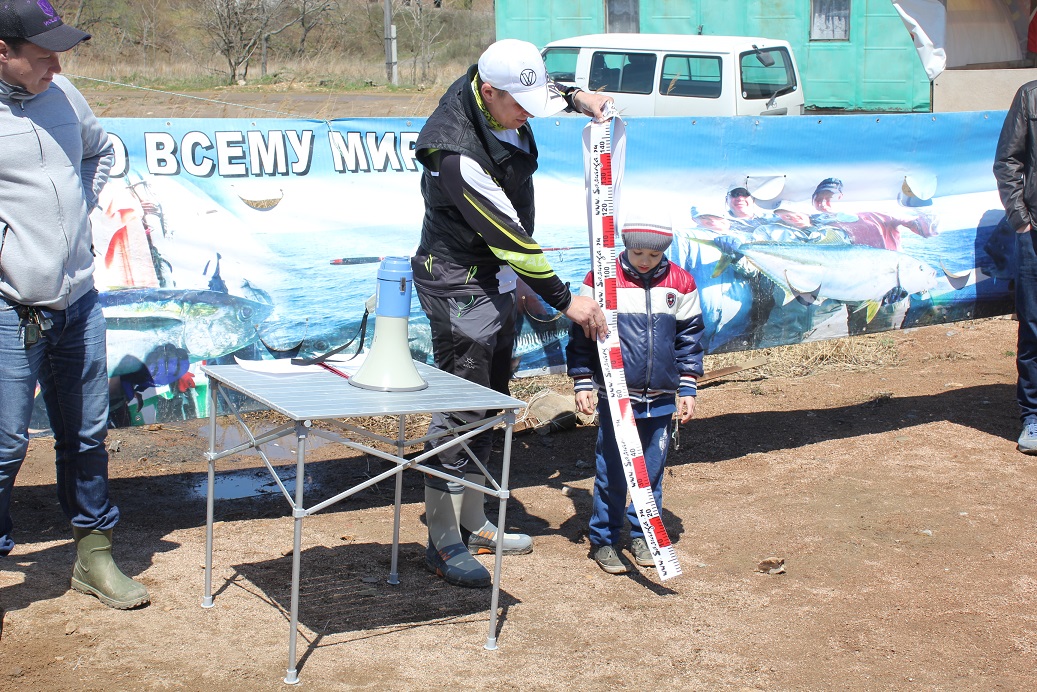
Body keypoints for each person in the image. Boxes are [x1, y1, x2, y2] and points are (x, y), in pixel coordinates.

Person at [410, 38, 613, 587]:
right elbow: (512, 239)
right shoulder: (454, 153)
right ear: (489, 91)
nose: (530, 113)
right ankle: (442, 541)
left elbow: (542, 90)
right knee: (461, 407)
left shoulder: (503, 89)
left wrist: (579, 99)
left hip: (496, 274)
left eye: (534, 102)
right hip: (459, 281)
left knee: (493, 400)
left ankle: (474, 520)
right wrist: (565, 300)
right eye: (520, 105)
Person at [0, 1, 149, 608]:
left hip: (79, 302)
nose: (57, 68)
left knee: (87, 436)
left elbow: (100, 149)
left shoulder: (64, 95)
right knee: (5, 445)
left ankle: (94, 556)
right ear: (2, 52)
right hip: (9, 308)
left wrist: (76, 210)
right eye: (43, 56)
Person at [566, 216, 704, 574]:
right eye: (638, 252)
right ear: (626, 246)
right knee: (612, 471)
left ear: (665, 253)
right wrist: (582, 380)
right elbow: (581, 336)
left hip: (661, 399)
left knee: (651, 473)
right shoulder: (601, 279)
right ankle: (605, 539)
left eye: (654, 255)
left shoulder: (681, 283)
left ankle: (644, 535)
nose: (645, 261)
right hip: (616, 398)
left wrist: (688, 385)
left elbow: (689, 338)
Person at [993, 80, 1037, 454]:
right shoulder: (1030, 96)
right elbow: (1007, 161)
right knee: (1034, 327)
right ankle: (1033, 417)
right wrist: (1021, 220)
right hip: (1035, 232)